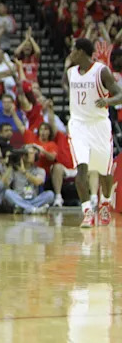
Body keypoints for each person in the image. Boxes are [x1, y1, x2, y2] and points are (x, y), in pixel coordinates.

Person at [65, 38, 121, 228]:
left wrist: (108, 102)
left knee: (104, 171)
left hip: (99, 125)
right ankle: (87, 211)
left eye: (74, 50)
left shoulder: (101, 71)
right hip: (79, 125)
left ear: (81, 52)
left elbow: (119, 93)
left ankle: (105, 203)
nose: (71, 53)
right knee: (81, 168)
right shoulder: (71, 73)